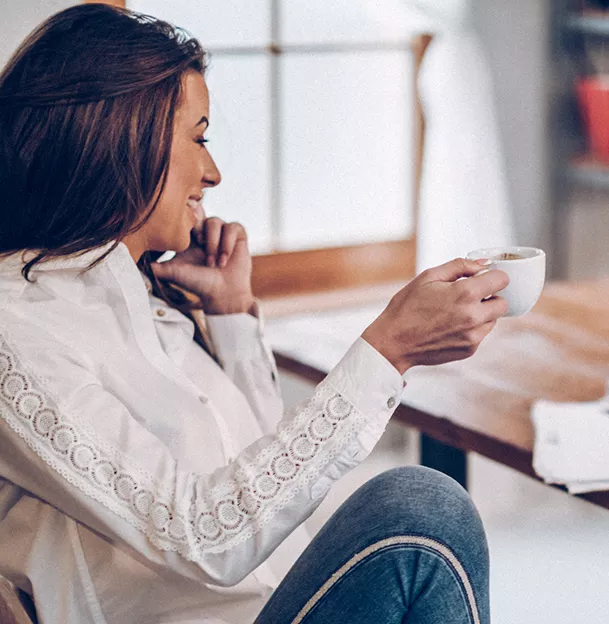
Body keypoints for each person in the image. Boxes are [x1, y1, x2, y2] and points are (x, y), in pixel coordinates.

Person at [0, 5, 509, 623]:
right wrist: (387, 350)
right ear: (120, 134)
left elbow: (264, 486)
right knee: (422, 510)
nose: (213, 172)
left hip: (273, 606)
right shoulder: (17, 328)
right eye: (199, 137)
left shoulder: (149, 303)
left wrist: (234, 320)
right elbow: (201, 536)